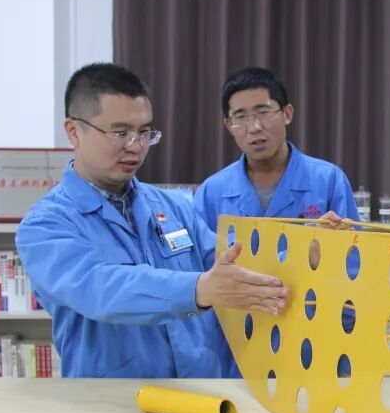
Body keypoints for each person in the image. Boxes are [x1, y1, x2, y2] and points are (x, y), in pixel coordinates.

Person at [16, 63, 287, 379]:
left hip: (200, 393)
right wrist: (199, 289)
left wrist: (308, 252)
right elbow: (102, 288)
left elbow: (237, 262)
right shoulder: (46, 226)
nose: (136, 146)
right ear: (74, 131)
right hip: (113, 400)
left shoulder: (174, 207)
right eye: (120, 133)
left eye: (144, 133)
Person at [194, 67, 358, 229]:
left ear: (287, 114)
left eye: (264, 113)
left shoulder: (329, 181)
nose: (254, 128)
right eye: (241, 117)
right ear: (229, 126)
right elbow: (193, 246)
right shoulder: (211, 192)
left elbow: (355, 244)